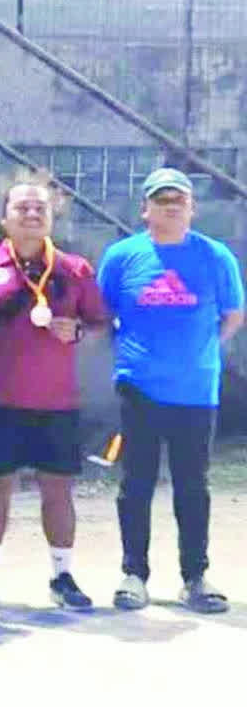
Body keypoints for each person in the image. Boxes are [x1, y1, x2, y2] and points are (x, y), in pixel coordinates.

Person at [0, 174, 106, 611]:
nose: (32, 213)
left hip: (58, 402)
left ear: (52, 215)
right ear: (4, 217)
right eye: (22, 207)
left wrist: (77, 331)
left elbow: (99, 328)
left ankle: (62, 576)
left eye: (40, 206)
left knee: (58, 491)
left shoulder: (75, 269)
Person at [97, 167, 244, 612]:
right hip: (139, 388)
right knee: (136, 482)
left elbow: (233, 313)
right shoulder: (123, 256)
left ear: (191, 208)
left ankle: (195, 576)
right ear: (146, 210)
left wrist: (202, 350)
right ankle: (133, 574)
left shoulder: (215, 256)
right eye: (161, 200)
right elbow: (103, 313)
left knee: (192, 485)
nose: (171, 205)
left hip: (196, 391)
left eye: (179, 199)